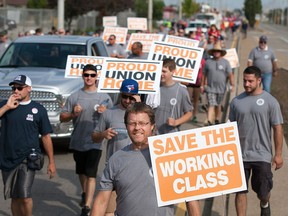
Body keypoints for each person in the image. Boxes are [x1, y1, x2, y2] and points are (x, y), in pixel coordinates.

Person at [90, 102, 175, 216]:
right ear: (126, 126)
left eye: (142, 123)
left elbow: (191, 195)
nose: (137, 128)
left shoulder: (169, 154)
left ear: (152, 125)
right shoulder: (116, 159)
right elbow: (101, 202)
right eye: (132, 123)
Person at [229, 66, 284, 216]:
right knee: (240, 192)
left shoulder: (270, 102)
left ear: (259, 80)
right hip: (240, 154)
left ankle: (264, 203)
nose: (246, 84)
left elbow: (277, 128)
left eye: (250, 81)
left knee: (263, 192)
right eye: (245, 81)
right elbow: (229, 128)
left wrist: (278, 155)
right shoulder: (235, 102)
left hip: (262, 155)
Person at [60, 64, 113, 216]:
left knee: (91, 174)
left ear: (97, 77)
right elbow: (62, 117)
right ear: (82, 76)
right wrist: (72, 114)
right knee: (82, 172)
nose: (89, 78)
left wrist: (105, 113)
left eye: (92, 75)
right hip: (78, 140)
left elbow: (112, 117)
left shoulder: (104, 97)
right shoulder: (74, 96)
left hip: (95, 141)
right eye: (86, 75)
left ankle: (87, 207)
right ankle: (85, 193)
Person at [0, 75, 56, 216]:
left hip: (28, 158)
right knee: (15, 197)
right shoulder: (5, 105)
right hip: (8, 158)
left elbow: (46, 136)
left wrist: (51, 162)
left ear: (29, 89)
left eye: (20, 87)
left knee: (24, 196)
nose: (16, 91)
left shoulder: (38, 109)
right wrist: (7, 107)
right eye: (14, 88)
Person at [154, 59, 200, 215]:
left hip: (172, 140)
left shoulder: (181, 90)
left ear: (172, 72)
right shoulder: (154, 88)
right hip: (154, 140)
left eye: (164, 71)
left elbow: (189, 112)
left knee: (172, 180)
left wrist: (176, 122)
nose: (161, 74)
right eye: (160, 71)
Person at [91, 78, 141, 216]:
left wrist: (140, 106)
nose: (127, 100)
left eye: (131, 97)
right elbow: (94, 137)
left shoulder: (143, 115)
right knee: (109, 212)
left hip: (136, 170)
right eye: (124, 96)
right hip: (114, 171)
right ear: (120, 94)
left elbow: (153, 138)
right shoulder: (109, 113)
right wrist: (103, 134)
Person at [201, 42, 234, 125]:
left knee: (218, 105)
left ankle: (217, 119)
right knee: (211, 104)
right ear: (213, 52)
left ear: (221, 53)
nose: (216, 53)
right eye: (215, 51)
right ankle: (209, 120)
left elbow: (230, 74)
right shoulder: (208, 62)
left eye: (218, 51)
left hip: (221, 88)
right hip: (210, 88)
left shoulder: (226, 62)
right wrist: (202, 85)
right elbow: (204, 74)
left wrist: (232, 84)